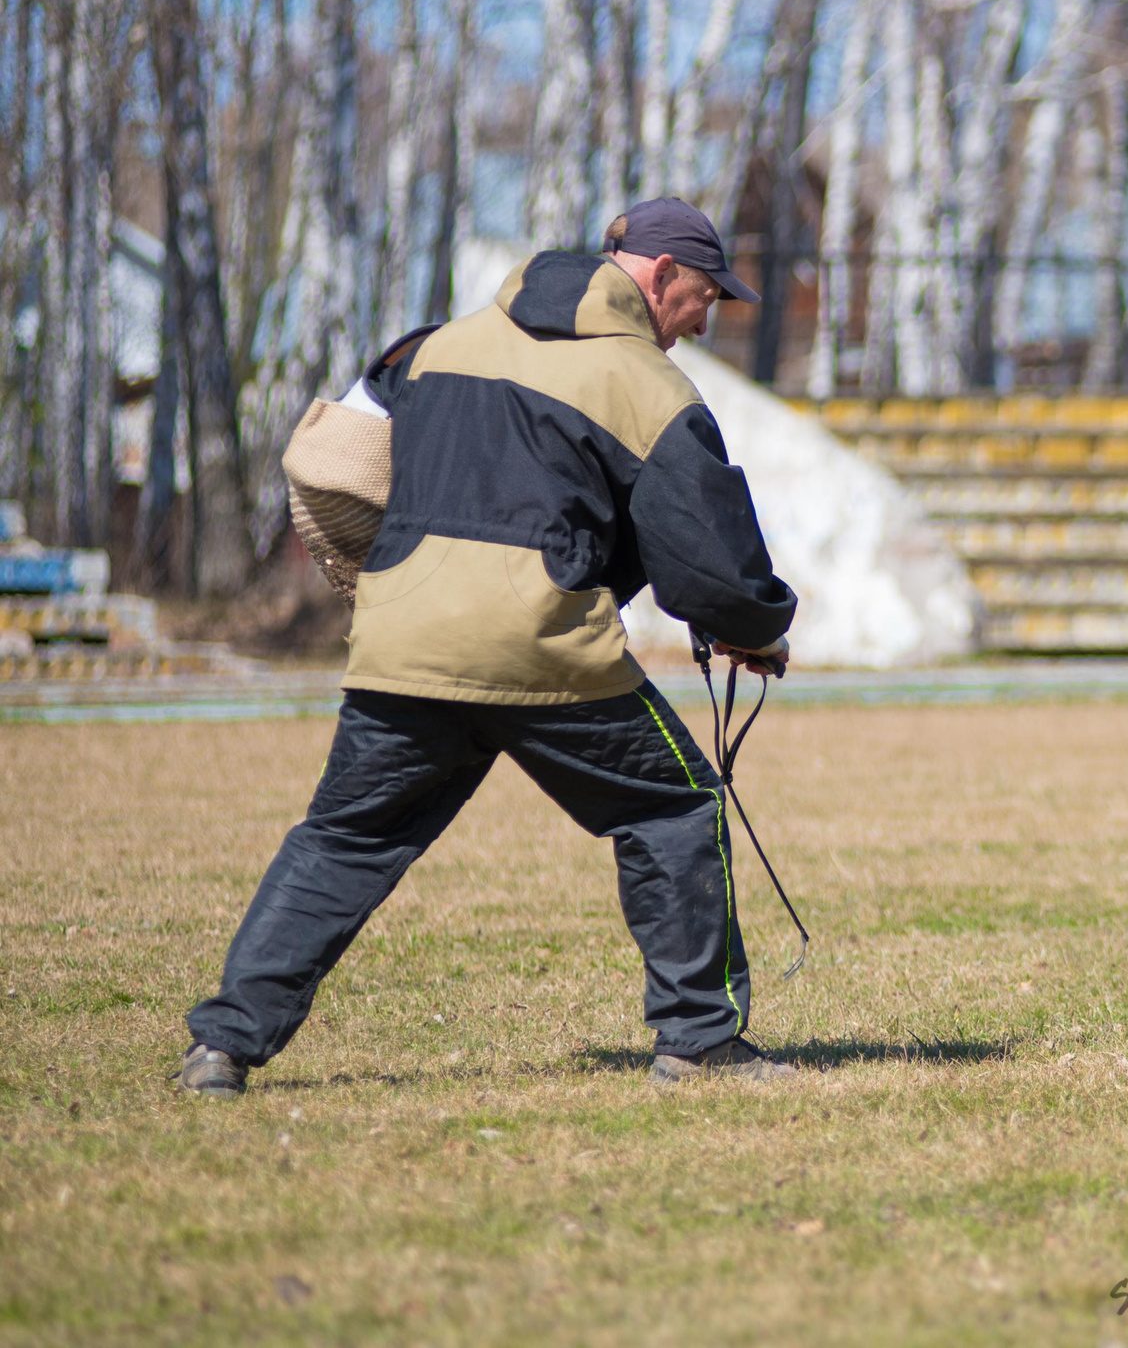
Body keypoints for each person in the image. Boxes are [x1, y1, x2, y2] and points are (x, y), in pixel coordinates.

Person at [177, 197, 800, 1095]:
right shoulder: (647, 384)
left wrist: (385, 575)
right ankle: (700, 1040)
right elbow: (706, 564)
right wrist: (758, 629)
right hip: (541, 646)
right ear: (661, 277)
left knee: (344, 839)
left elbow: (325, 462)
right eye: (704, 297)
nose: (703, 322)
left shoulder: (431, 346)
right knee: (674, 808)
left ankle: (223, 1046)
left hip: (404, 641)